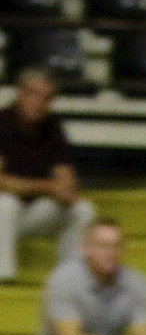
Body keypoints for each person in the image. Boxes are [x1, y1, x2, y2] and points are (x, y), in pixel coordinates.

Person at [0, 68, 96, 284]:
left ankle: (70, 279)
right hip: (5, 211)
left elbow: (66, 179)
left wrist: (62, 190)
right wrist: (48, 187)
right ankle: (3, 277)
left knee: (82, 209)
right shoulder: (2, 122)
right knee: (4, 203)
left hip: (31, 212)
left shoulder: (53, 128)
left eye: (46, 98)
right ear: (20, 94)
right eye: (33, 94)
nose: (39, 103)